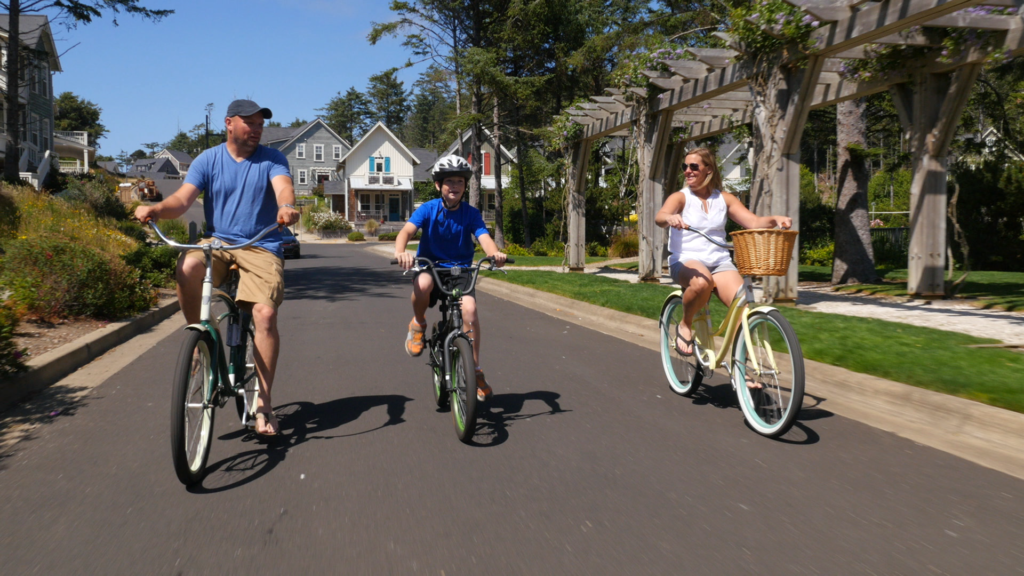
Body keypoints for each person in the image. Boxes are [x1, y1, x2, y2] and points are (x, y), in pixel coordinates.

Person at [135, 99, 298, 436]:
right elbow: (181, 201)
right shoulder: (208, 159)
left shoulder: (273, 159)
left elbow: (283, 187)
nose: (256, 130)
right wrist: (156, 208)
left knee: (264, 316)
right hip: (219, 242)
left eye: (259, 124)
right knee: (187, 267)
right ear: (229, 123)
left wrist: (286, 207)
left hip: (262, 244)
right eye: (248, 123)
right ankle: (202, 341)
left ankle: (264, 405)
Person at [655, 147, 792, 358]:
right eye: (685, 167)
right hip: (686, 259)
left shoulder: (724, 199)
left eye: (694, 166)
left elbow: (753, 222)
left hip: (719, 261)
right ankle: (685, 324)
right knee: (702, 283)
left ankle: (742, 369)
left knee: (743, 308)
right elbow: (660, 216)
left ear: (708, 169)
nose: (687, 171)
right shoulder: (681, 197)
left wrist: (775, 220)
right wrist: (670, 218)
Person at [394, 155, 507, 401]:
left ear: (465, 186)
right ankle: (418, 324)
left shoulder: (471, 213)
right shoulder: (428, 209)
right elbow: (406, 231)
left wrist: (494, 253)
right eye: (449, 182)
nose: (454, 186)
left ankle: (475, 370)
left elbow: (483, 236)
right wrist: (401, 251)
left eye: (459, 181)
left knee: (470, 311)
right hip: (430, 266)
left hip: (459, 271)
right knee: (422, 284)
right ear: (438, 185)